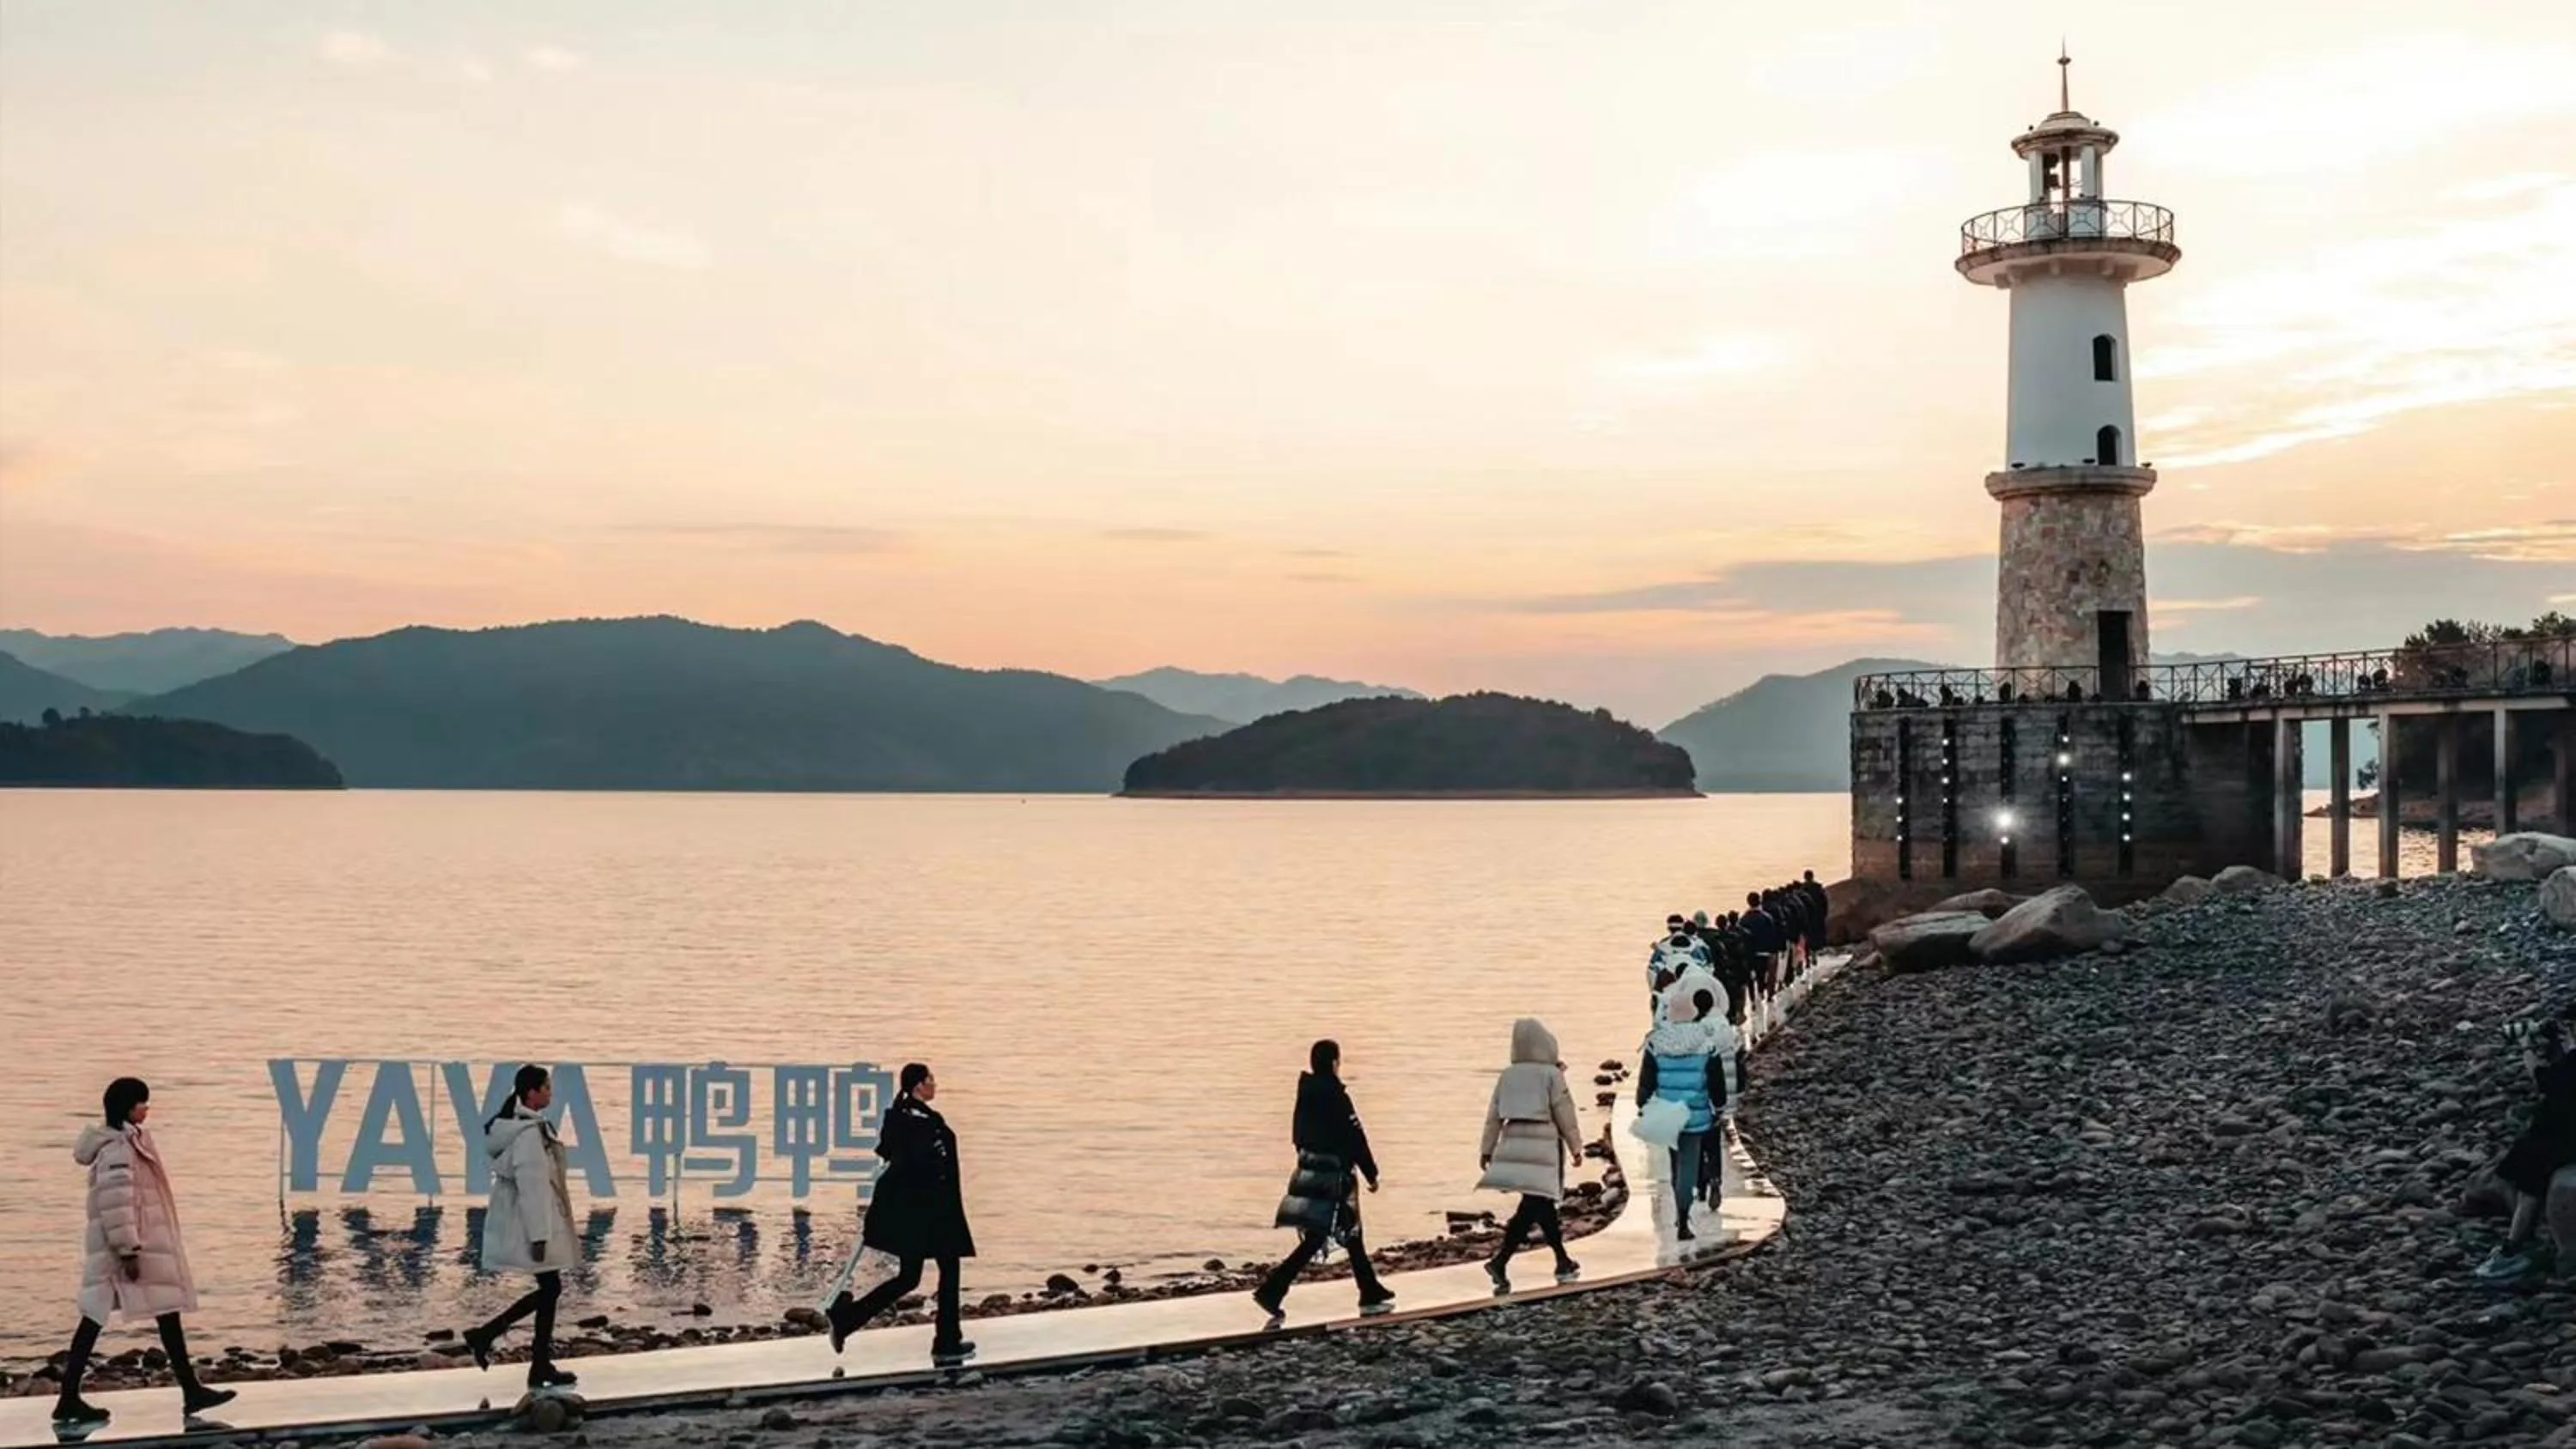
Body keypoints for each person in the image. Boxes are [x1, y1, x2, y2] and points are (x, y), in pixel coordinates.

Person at [52, 1077, 235, 1428]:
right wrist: (128, 1251)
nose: (147, 1108)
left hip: (139, 1244)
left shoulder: (130, 1140)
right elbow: (116, 1205)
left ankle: (191, 1390)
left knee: (165, 1311)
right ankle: (68, 1398)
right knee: (94, 1318)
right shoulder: (117, 1149)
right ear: (127, 1106)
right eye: (142, 1102)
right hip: (122, 1250)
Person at [827, 1064, 978, 1366]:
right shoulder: (919, 1122)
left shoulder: (903, 1117)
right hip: (931, 1215)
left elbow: (893, 1158)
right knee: (946, 1271)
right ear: (919, 1085)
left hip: (920, 1215)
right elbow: (918, 1167)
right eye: (931, 1080)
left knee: (910, 1277)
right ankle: (947, 1342)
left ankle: (847, 1319)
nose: (934, 1084)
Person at [1256, 1040, 1394, 1319]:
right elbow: (1355, 1136)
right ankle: (1272, 1289)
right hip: (1334, 1175)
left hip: (1309, 1171)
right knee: (1319, 1235)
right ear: (1334, 1063)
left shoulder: (1305, 1093)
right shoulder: (1335, 1094)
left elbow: (1297, 1136)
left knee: (1349, 1230)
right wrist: (1371, 1173)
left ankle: (1369, 1288)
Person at [464, 1064, 580, 1389]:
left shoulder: (520, 1127)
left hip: (528, 1220)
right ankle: (489, 1336)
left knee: (550, 1289)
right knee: (551, 1289)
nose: (550, 1093)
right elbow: (533, 1188)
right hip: (533, 1224)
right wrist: (540, 1236)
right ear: (531, 1093)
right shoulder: (528, 1134)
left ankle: (536, 1362)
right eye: (546, 1087)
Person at [1477, 1019, 1586, 1292]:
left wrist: (1487, 1149)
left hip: (1515, 1144)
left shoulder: (1507, 1075)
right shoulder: (1551, 1075)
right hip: (1543, 1146)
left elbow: (1493, 1115)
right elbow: (1565, 1112)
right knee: (1535, 1204)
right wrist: (1575, 1146)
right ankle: (1502, 1261)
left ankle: (1561, 1260)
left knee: (1539, 1203)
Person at [2475, 1017, 2576, 1282]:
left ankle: (2515, 1245)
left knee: (2527, 1191)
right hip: (2557, 1138)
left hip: (2553, 1140)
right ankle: (2523, 1236)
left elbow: (2541, 1079)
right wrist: (2566, 1044)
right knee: (2517, 1180)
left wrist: (2526, 1047)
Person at [1636, 987, 1729, 1240]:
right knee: (1689, 1164)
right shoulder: (1706, 1042)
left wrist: (1642, 1104)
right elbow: (1716, 1082)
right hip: (1694, 1113)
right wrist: (1719, 1107)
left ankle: (1680, 1211)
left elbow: (1646, 1081)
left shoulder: (1656, 1043)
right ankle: (1683, 1218)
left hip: (1667, 1113)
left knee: (1674, 1163)